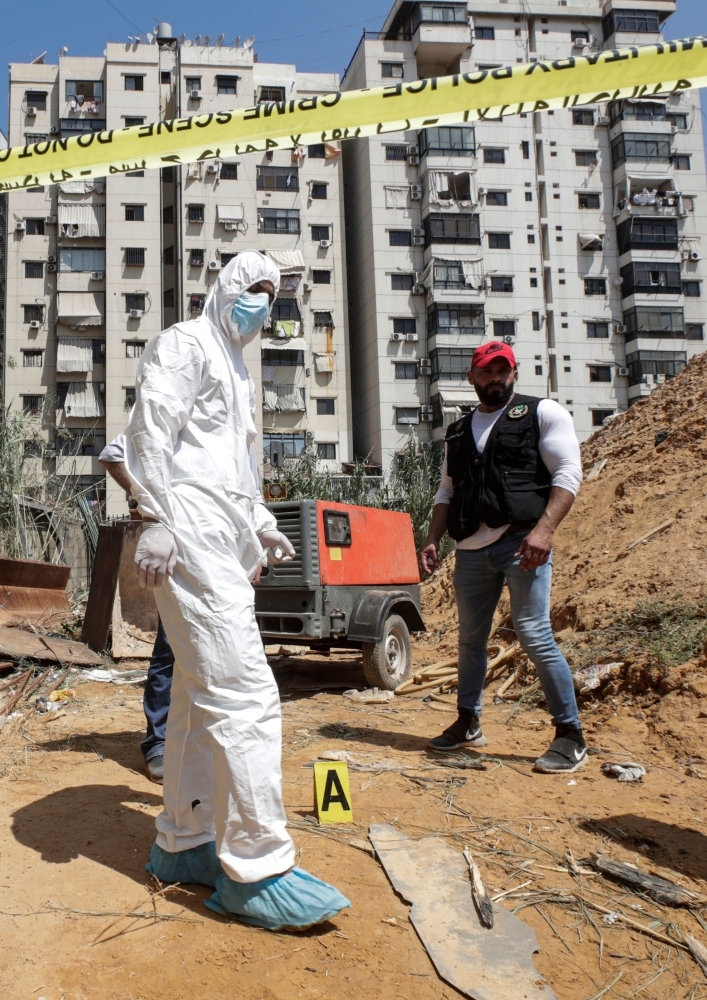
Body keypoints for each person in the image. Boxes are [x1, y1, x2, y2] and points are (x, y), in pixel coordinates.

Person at [122, 251, 351, 930]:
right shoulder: (185, 343)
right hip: (187, 529)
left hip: (221, 535)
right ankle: (257, 870)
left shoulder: (237, 368)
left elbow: (235, 470)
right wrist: (154, 518)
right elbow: (148, 435)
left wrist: (259, 524)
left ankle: (183, 843)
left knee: (195, 698)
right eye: (252, 287)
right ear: (223, 287)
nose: (262, 301)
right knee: (245, 693)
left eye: (272, 293)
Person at [420, 341, 585, 774]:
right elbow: (446, 492)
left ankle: (570, 734)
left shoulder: (542, 413)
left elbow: (568, 474)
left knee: (534, 634)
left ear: (514, 373)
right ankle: (468, 721)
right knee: (470, 642)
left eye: (503, 370)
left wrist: (544, 532)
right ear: (472, 377)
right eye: (486, 371)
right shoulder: (457, 432)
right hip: (471, 550)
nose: (496, 377)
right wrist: (434, 539)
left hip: (521, 543)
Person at [99, 435, 266, 785]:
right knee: (171, 648)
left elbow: (249, 492)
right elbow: (113, 454)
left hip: (230, 562)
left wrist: (258, 542)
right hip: (190, 560)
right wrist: (156, 514)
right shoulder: (181, 418)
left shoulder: (239, 431)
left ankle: (213, 742)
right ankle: (159, 743)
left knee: (231, 654)